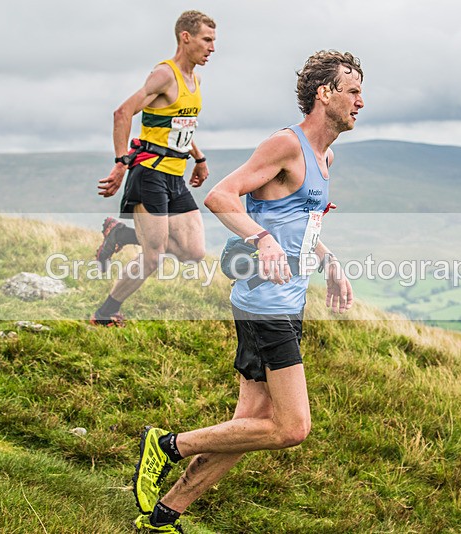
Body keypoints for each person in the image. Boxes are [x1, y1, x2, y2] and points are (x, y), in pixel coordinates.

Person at [130, 50, 363, 533]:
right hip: (265, 304)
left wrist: (329, 261)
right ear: (326, 94)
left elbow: (300, 221)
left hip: (286, 300)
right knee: (291, 428)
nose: (361, 101)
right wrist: (261, 238)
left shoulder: (324, 155)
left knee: (248, 426)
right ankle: (168, 444)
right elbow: (220, 195)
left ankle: (163, 515)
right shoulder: (286, 145)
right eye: (353, 90)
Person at [90, 10, 216, 326]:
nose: (212, 47)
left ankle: (121, 233)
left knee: (193, 252)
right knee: (153, 256)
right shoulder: (164, 75)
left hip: (175, 176)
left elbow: (179, 126)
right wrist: (121, 163)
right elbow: (123, 113)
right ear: (185, 37)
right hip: (149, 174)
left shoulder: (195, 79)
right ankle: (104, 314)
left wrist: (198, 158)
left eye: (214, 41)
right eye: (207, 40)